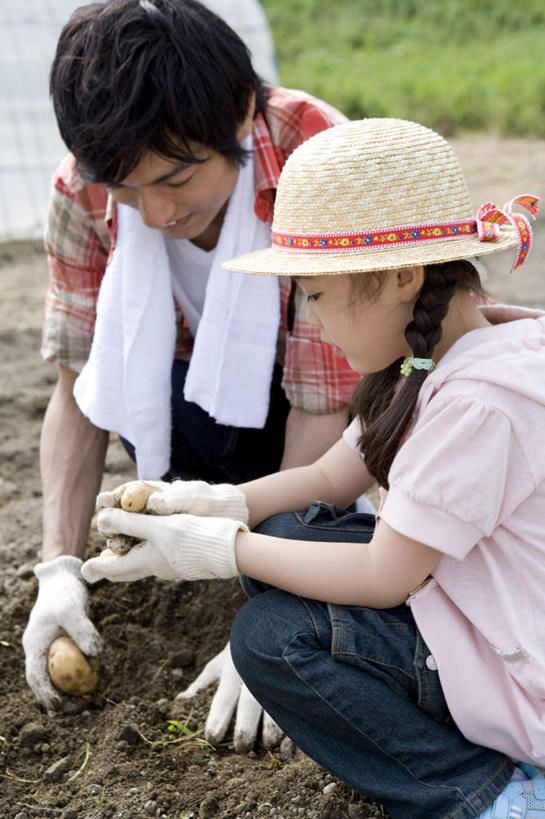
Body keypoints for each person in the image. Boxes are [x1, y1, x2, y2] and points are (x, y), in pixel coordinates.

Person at [82, 118, 544, 819]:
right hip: (483, 608)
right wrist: (208, 505)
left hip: (522, 673)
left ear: (400, 275)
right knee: (283, 530)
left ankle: (487, 796)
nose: (315, 320)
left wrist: (213, 550)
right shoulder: (437, 352)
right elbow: (332, 477)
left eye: (319, 295)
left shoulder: (477, 403)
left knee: (271, 638)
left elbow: (383, 575)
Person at [23, 0, 363, 739]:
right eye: (124, 188)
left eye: (175, 179)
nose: (151, 212)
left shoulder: (316, 157)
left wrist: (272, 616)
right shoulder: (79, 189)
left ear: (241, 114)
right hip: (192, 411)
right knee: (137, 395)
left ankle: (313, 550)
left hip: (321, 409)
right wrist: (58, 566)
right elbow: (78, 390)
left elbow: (323, 401)